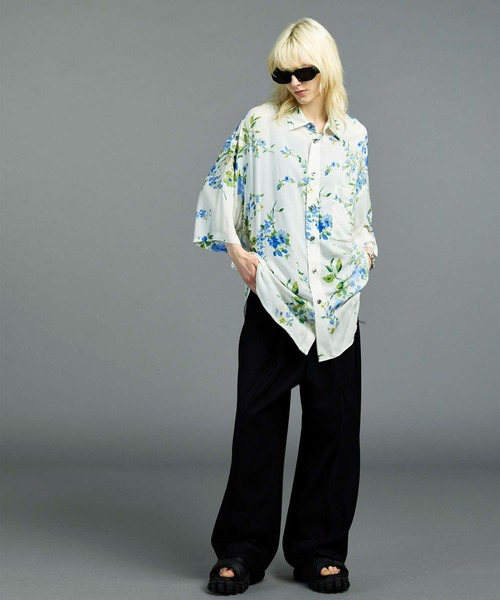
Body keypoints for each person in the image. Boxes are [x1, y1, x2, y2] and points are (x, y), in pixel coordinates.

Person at [193, 17, 378, 595]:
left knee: (334, 430)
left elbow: (359, 208)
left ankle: (319, 550)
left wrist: (367, 250)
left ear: (327, 68)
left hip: (336, 305)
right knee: (257, 426)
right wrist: (235, 249)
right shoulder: (261, 125)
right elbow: (221, 183)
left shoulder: (354, 135)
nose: (294, 82)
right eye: (283, 73)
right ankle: (242, 549)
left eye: (305, 71)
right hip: (275, 298)